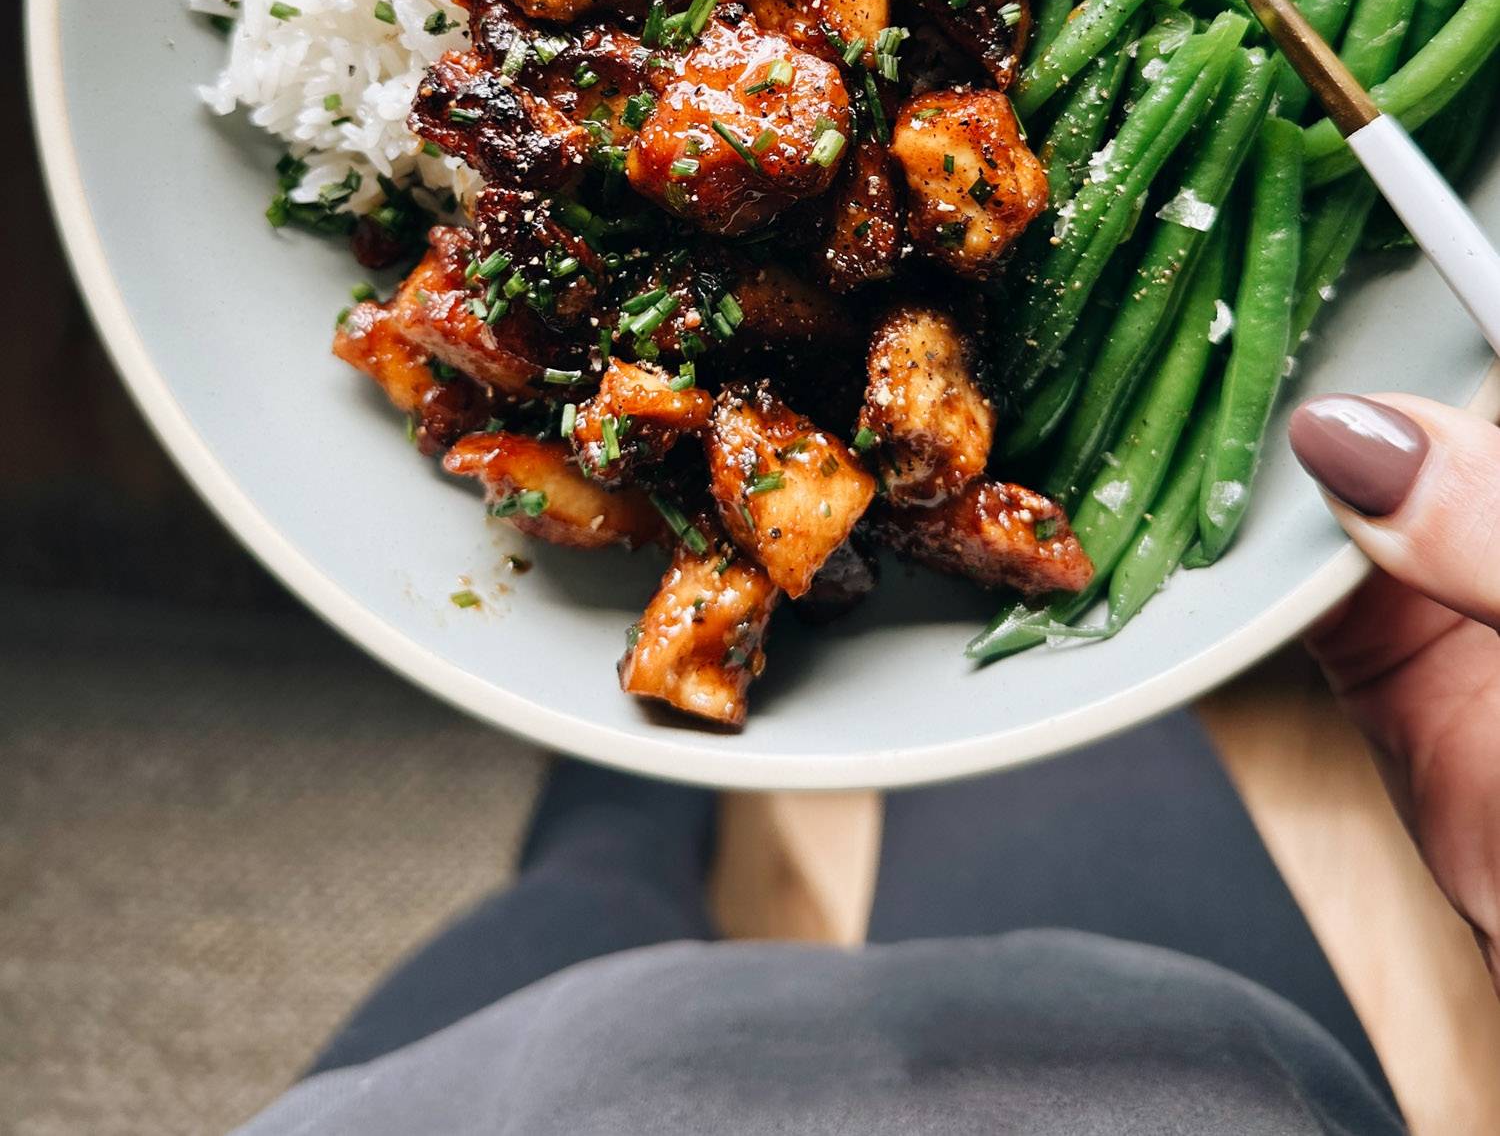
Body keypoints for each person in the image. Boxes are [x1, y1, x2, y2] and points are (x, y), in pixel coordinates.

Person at [234, 388, 1500, 1135]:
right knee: (1069, 746)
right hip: (1176, 1087)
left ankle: (630, 802)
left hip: (496, 1096)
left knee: (584, 888)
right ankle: (645, 769)